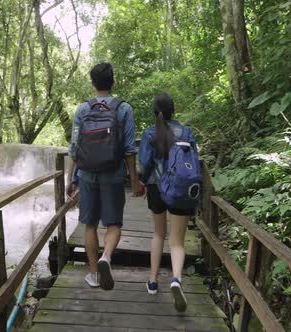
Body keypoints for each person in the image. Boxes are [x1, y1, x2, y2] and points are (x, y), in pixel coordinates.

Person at [66, 63, 142, 290]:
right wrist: (135, 180)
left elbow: (73, 147)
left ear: (92, 83)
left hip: (87, 174)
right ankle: (106, 257)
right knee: (113, 223)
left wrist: (70, 180)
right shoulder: (123, 109)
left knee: (89, 224)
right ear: (113, 82)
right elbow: (129, 149)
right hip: (113, 174)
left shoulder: (82, 110)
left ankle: (93, 274)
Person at [138, 93, 198, 312]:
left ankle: (153, 282)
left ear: (155, 112)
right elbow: (194, 164)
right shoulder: (187, 132)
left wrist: (143, 182)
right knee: (177, 242)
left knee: (158, 234)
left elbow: (144, 163)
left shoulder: (149, 133)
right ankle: (176, 279)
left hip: (156, 187)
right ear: (174, 110)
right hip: (181, 189)